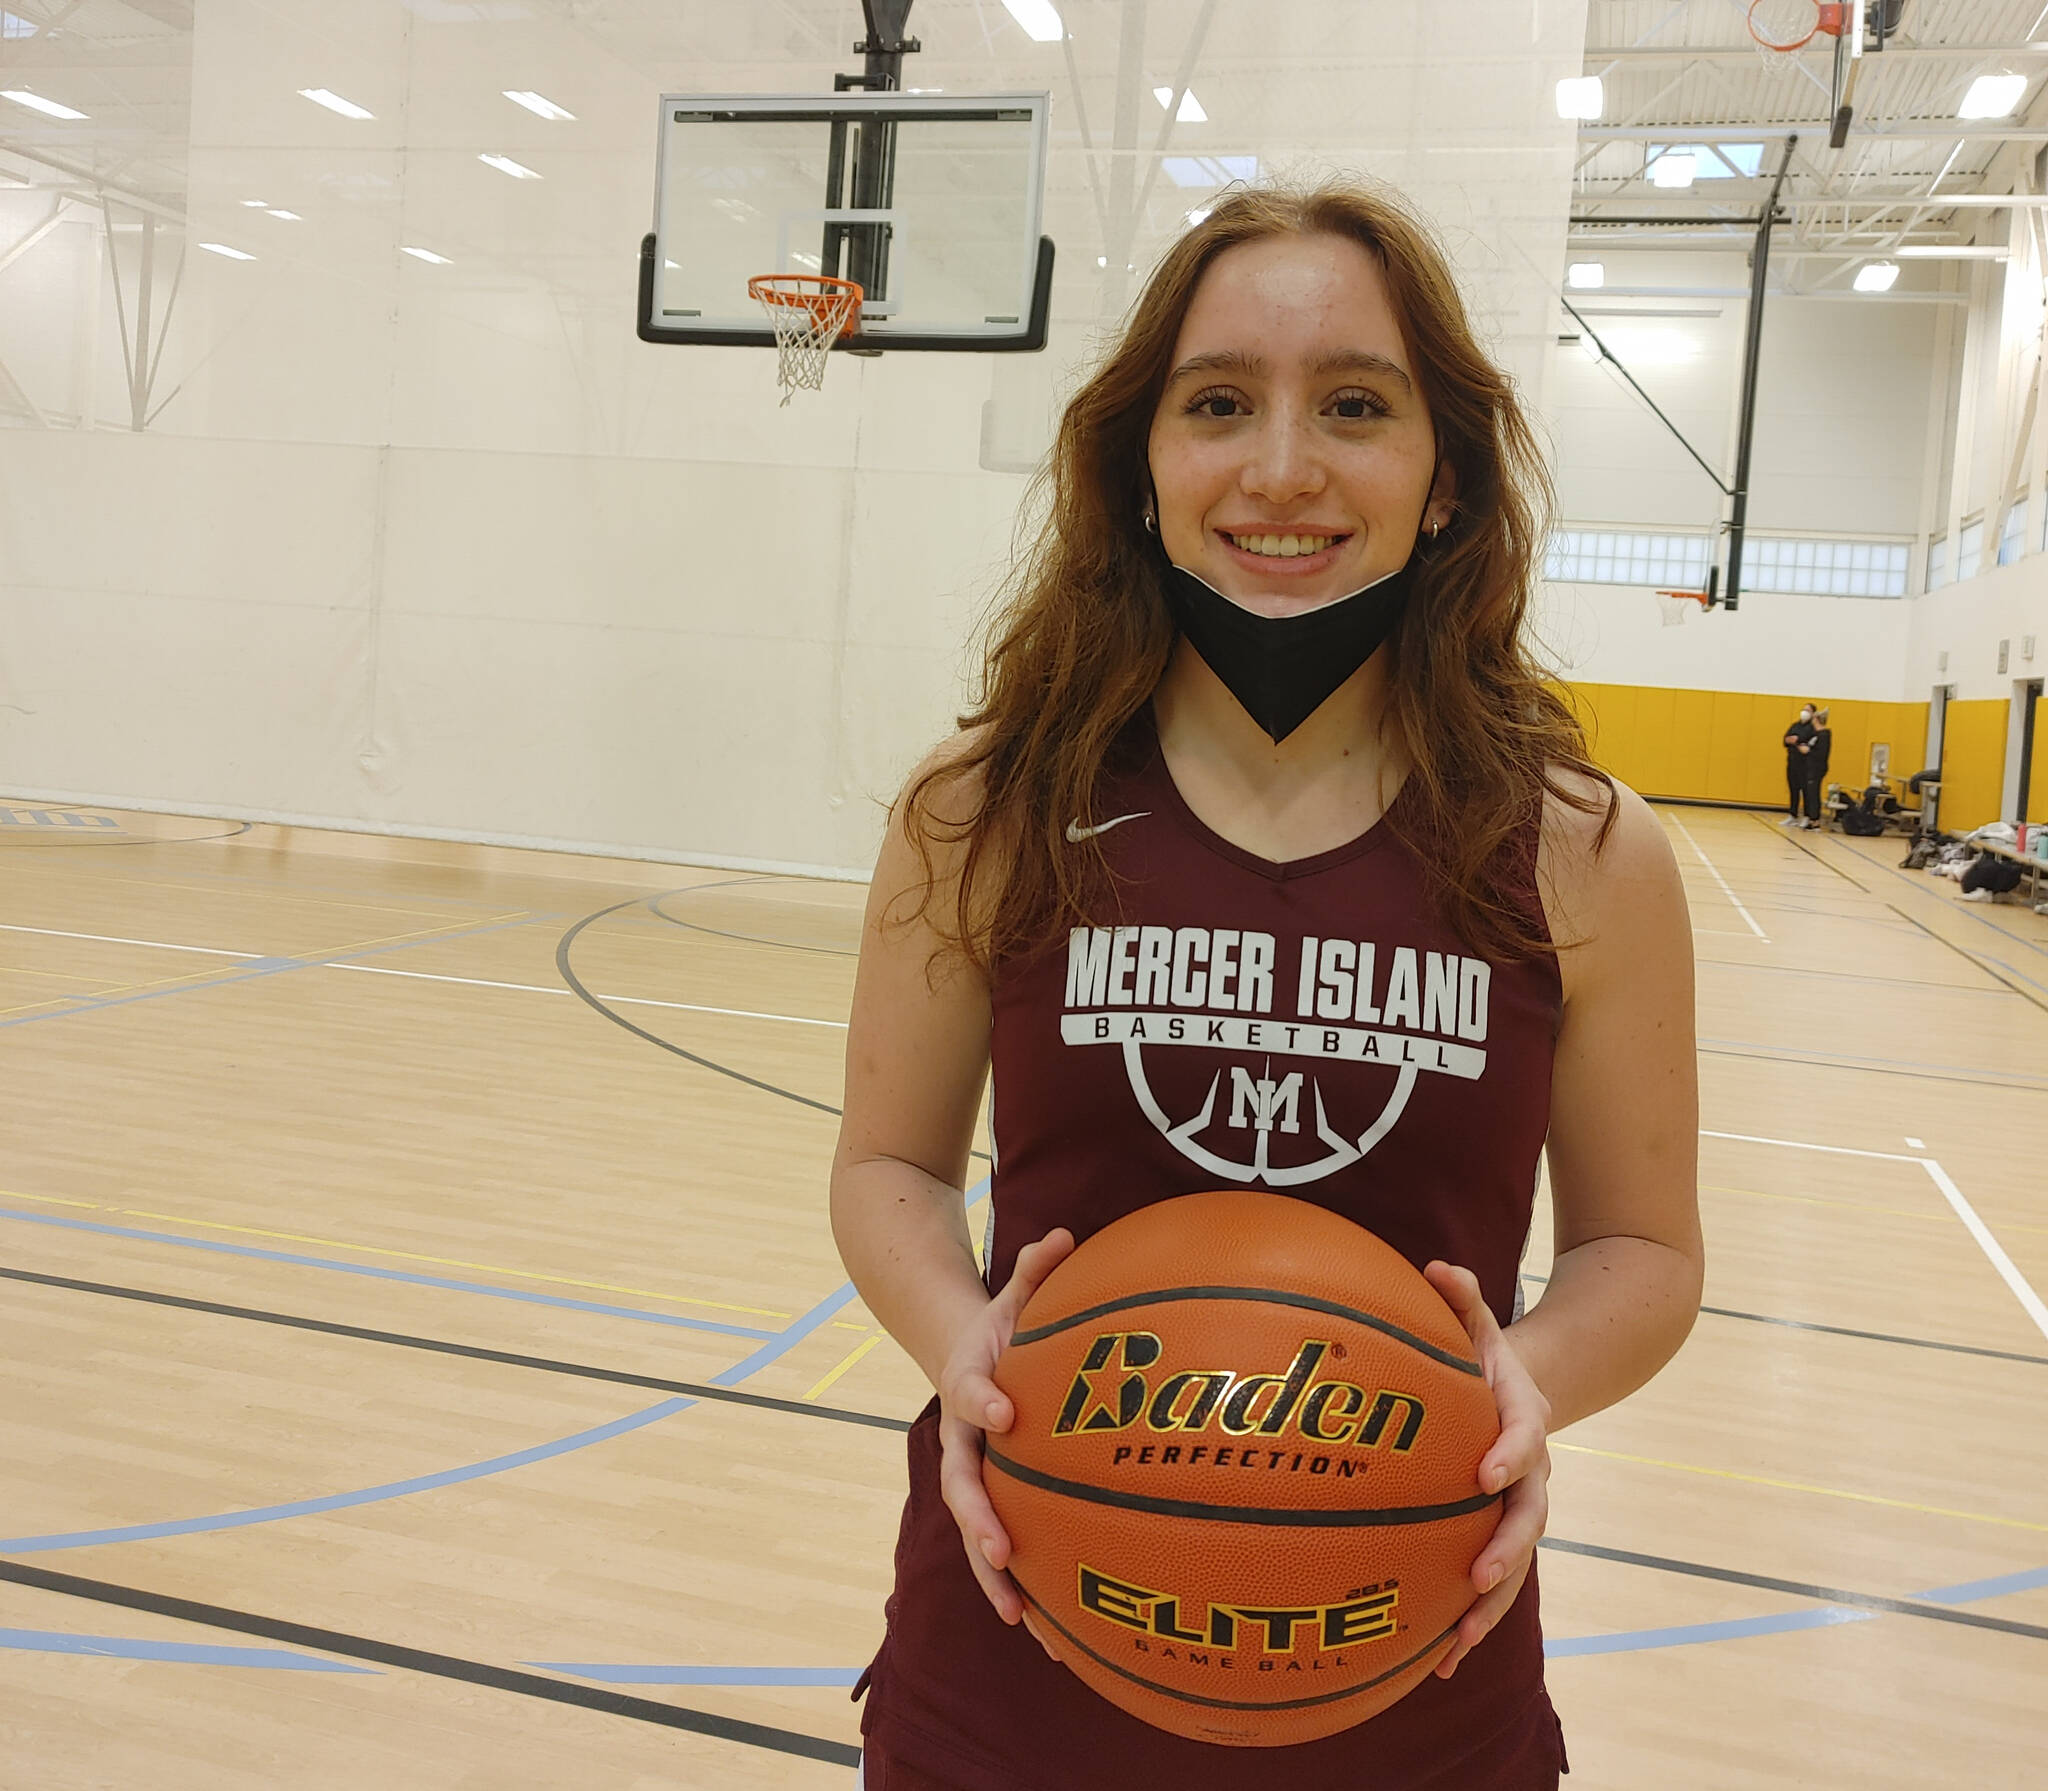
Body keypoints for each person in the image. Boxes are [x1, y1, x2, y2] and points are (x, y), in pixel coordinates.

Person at [830, 182, 1704, 1791]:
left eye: (1355, 406)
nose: (1283, 467)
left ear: (1445, 476)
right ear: (1139, 465)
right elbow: (887, 1161)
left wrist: (1521, 1382)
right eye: (1218, 402)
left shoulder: (1581, 847)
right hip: (1012, 1660)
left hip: (1418, 1670)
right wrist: (967, 1342)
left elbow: (1642, 1250)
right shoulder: (985, 804)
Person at [1782, 702, 1817, 826]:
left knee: (1805, 790)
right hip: (1792, 761)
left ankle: (1807, 815)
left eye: (1808, 710)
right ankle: (1793, 815)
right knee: (1793, 788)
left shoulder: (1812, 727)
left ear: (1813, 714)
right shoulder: (1795, 725)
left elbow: (1803, 739)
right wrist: (1793, 740)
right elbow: (1786, 739)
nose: (1804, 712)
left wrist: (1797, 740)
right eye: (1803, 709)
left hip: (1805, 763)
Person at [1803, 706, 1833, 830]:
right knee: (1810, 792)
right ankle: (1812, 818)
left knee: (1814, 793)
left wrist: (1808, 751)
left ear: (1816, 719)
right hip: (1811, 766)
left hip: (1817, 768)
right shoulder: (1815, 734)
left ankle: (1815, 820)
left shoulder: (1824, 735)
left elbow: (1821, 754)